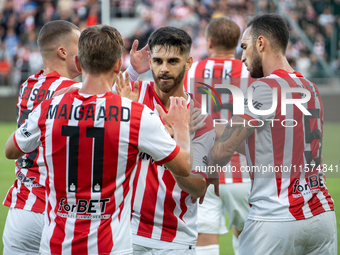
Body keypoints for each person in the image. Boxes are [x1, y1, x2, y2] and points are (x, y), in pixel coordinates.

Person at [5, 24, 191, 255]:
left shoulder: (46, 103)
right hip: (109, 244)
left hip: (51, 235)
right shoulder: (135, 114)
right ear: (117, 65)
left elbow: (10, 151)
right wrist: (181, 127)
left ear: (78, 63)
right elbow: (184, 166)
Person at [209, 14, 336, 255]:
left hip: (275, 219)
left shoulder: (264, 87)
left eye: (244, 47)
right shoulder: (311, 87)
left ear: (261, 43)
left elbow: (222, 150)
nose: (242, 56)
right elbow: (264, 145)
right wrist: (206, 125)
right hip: (322, 216)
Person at [115, 26, 216, 254]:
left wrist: (176, 138)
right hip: (125, 232)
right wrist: (131, 73)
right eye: (158, 61)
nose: (164, 69)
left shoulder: (200, 118)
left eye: (173, 61)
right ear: (149, 61)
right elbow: (90, 102)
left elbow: (197, 188)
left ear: (188, 63)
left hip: (175, 239)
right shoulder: (132, 95)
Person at [183, 17, 251, 255]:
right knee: (247, 233)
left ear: (209, 41)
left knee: (204, 234)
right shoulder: (250, 70)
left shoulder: (191, 71)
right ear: (238, 44)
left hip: (203, 166)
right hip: (242, 168)